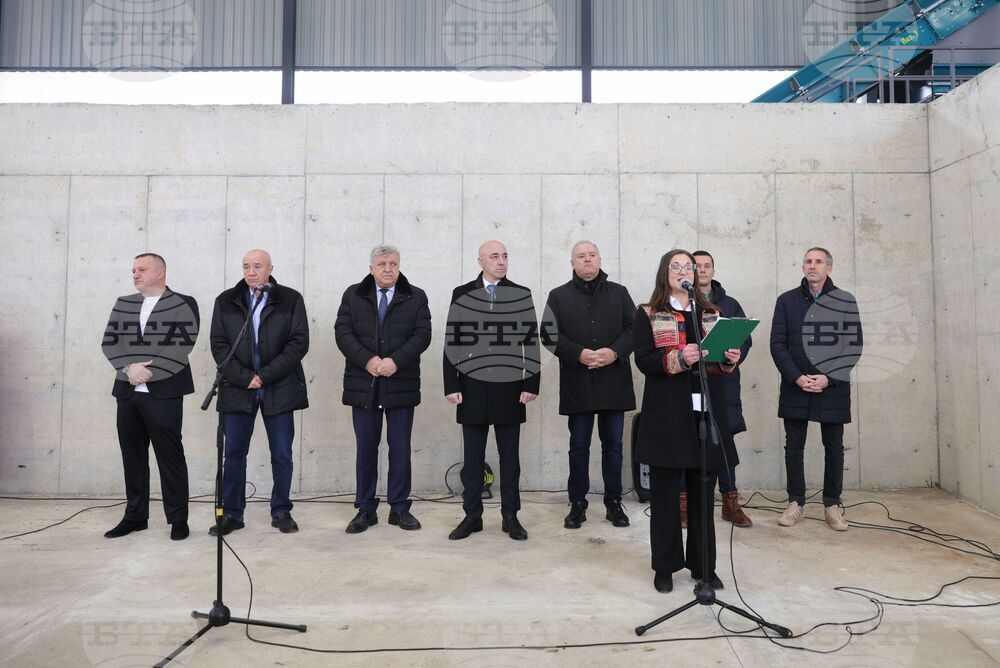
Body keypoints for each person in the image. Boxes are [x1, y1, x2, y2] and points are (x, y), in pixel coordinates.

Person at [633, 249, 742, 593]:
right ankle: (664, 567)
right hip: (667, 414)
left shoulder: (711, 312)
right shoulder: (648, 313)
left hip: (706, 413)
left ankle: (703, 566)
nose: (684, 271)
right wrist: (678, 358)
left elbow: (721, 364)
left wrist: (730, 358)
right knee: (666, 496)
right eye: (676, 266)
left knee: (702, 493)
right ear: (665, 273)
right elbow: (645, 361)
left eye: (689, 267)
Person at [443, 240, 540, 541]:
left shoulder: (520, 294)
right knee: (472, 460)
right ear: (480, 261)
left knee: (510, 458)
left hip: (510, 389)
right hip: (471, 388)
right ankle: (472, 516)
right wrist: (451, 384)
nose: (501, 261)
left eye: (505, 256)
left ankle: (510, 516)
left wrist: (531, 383)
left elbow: (531, 342)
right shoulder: (462, 294)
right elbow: (452, 342)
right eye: (495, 256)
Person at [209, 249, 309, 535]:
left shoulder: (290, 299)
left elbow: (298, 342)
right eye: (246, 267)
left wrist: (263, 376)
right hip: (238, 389)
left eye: (257, 267)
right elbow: (218, 345)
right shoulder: (226, 300)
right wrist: (244, 378)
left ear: (270, 269)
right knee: (234, 455)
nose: (251, 272)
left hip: (278, 387)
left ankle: (281, 511)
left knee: (281, 454)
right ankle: (232, 514)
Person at [335, 245, 432, 533]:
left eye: (393, 263)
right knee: (366, 449)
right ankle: (365, 509)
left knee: (400, 449)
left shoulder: (416, 296)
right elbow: (343, 333)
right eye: (381, 264)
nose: (387, 269)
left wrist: (395, 362)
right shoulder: (353, 295)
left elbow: (422, 334)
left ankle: (399, 508)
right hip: (364, 384)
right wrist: (367, 360)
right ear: (371, 268)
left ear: (399, 267)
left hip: (399, 383)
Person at [102, 253, 198, 541]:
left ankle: (178, 519)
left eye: (142, 269)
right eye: (133, 270)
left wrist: (145, 373)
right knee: (132, 456)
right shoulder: (124, 303)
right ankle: (135, 517)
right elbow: (110, 341)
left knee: (170, 456)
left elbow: (182, 344)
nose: (135, 274)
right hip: (128, 393)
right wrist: (127, 368)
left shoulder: (183, 303)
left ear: (160, 272)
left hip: (165, 392)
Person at [543, 241, 635, 529]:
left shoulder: (619, 293)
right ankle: (578, 504)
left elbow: (635, 329)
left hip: (613, 381)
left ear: (599, 259)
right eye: (580, 257)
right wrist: (578, 354)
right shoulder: (558, 296)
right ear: (572, 263)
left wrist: (615, 352)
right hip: (578, 381)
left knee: (614, 447)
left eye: (591, 255)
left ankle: (613, 502)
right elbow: (548, 335)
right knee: (578, 446)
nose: (587, 260)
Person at [770, 247, 862, 532]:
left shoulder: (845, 300)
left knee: (833, 447)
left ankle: (832, 505)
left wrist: (828, 378)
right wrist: (797, 377)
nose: (813, 265)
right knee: (793, 446)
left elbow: (853, 345)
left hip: (831, 387)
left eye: (818, 261)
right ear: (803, 267)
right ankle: (795, 502)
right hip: (796, 384)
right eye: (808, 261)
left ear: (829, 269)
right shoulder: (786, 301)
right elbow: (778, 343)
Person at [677, 250, 754, 529]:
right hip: (690, 383)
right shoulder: (681, 304)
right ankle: (684, 501)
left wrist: (735, 355)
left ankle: (730, 501)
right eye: (697, 266)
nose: (703, 270)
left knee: (724, 442)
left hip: (723, 384)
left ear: (713, 269)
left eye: (707, 266)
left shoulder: (730, 304)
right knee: (688, 441)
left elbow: (744, 339)